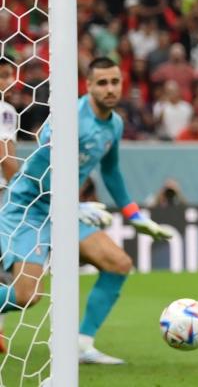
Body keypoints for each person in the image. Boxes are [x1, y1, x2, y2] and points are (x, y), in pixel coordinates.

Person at [0, 58, 172, 364]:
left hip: (65, 211)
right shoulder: (69, 118)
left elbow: (112, 172)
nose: (109, 89)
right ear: (88, 85)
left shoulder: (115, 124)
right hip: (29, 206)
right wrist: (75, 205)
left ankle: (81, 345)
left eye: (115, 82)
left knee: (118, 263)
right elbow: (45, 165)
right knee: (27, 296)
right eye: (102, 83)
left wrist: (135, 216)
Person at [0, 58, 21, 352]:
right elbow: (6, 158)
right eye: (2, 75)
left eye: (9, 75)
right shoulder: (5, 111)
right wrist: (25, 191)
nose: (8, 81)